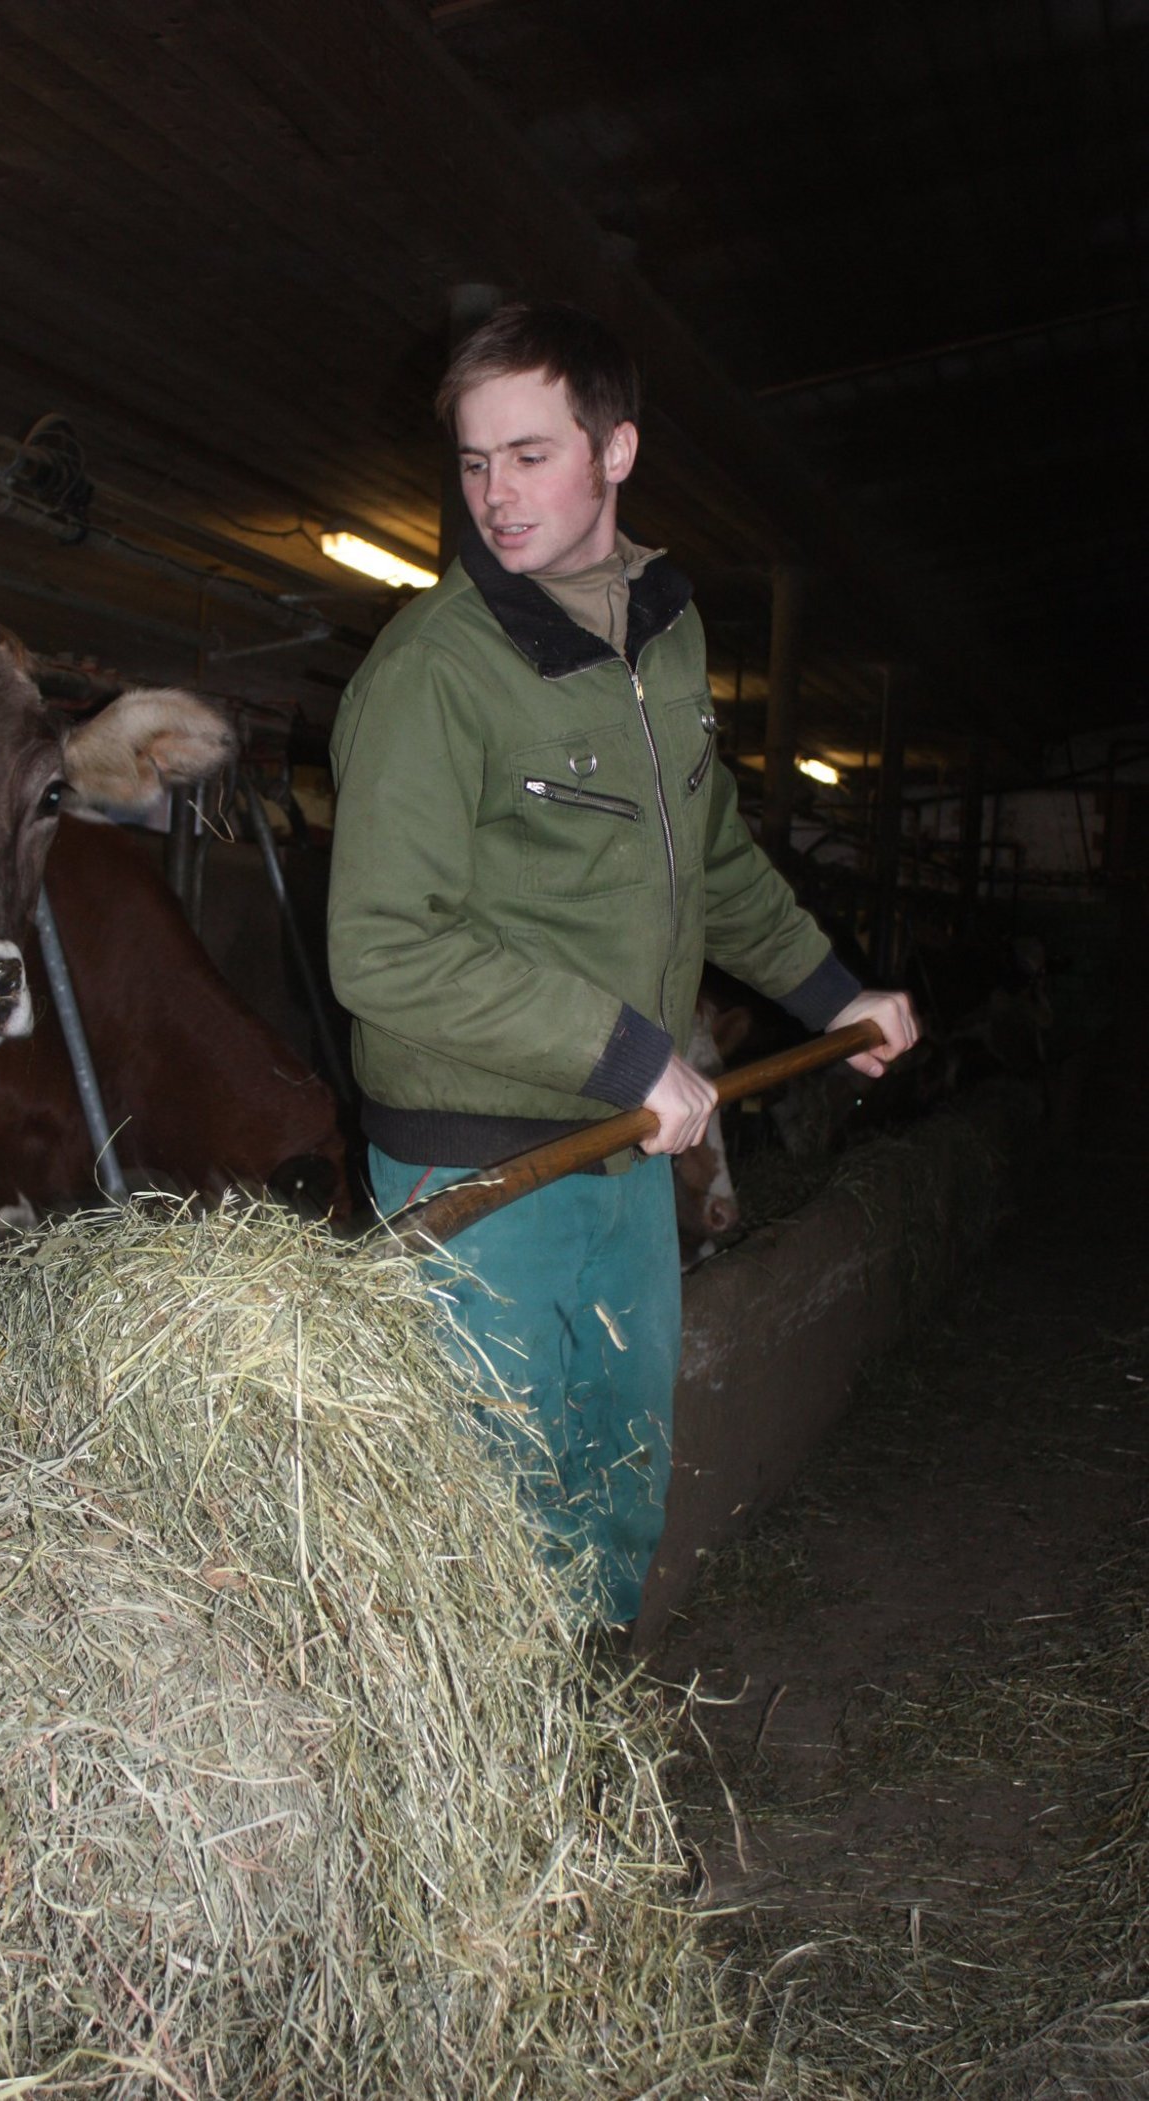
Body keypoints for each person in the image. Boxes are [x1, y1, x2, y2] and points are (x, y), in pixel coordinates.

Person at [326, 302, 916, 1627]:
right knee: (483, 1535)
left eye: (530, 455)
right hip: (480, 1176)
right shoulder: (434, 672)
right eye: (475, 461)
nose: (494, 494)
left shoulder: (665, 642)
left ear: (617, 450)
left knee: (616, 1491)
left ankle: (589, 1735)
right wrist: (629, 1053)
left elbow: (711, 860)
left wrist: (838, 995)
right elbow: (382, 949)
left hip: (627, 1155)